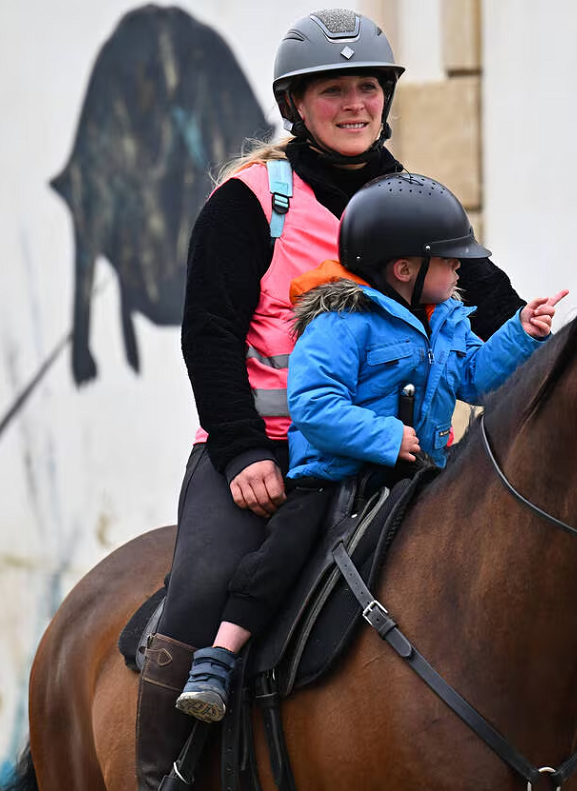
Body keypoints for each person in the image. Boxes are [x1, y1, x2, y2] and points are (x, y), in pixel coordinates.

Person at [135, 9, 525, 790]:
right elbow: (208, 336)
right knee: (201, 593)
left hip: (403, 454)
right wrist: (242, 450)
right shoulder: (249, 203)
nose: (355, 105)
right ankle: (158, 771)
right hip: (269, 453)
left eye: (369, 88)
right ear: (296, 105)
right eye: (334, 90)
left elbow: (491, 309)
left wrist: (550, 336)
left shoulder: (416, 203)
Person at [173, 173, 565, 723]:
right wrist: (387, 438)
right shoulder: (340, 319)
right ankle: (219, 656)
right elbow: (312, 403)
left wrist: (521, 332)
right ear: (406, 270)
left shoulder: (447, 320)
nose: (461, 271)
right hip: (333, 476)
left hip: (418, 477)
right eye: (452, 262)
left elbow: (475, 380)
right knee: (282, 553)